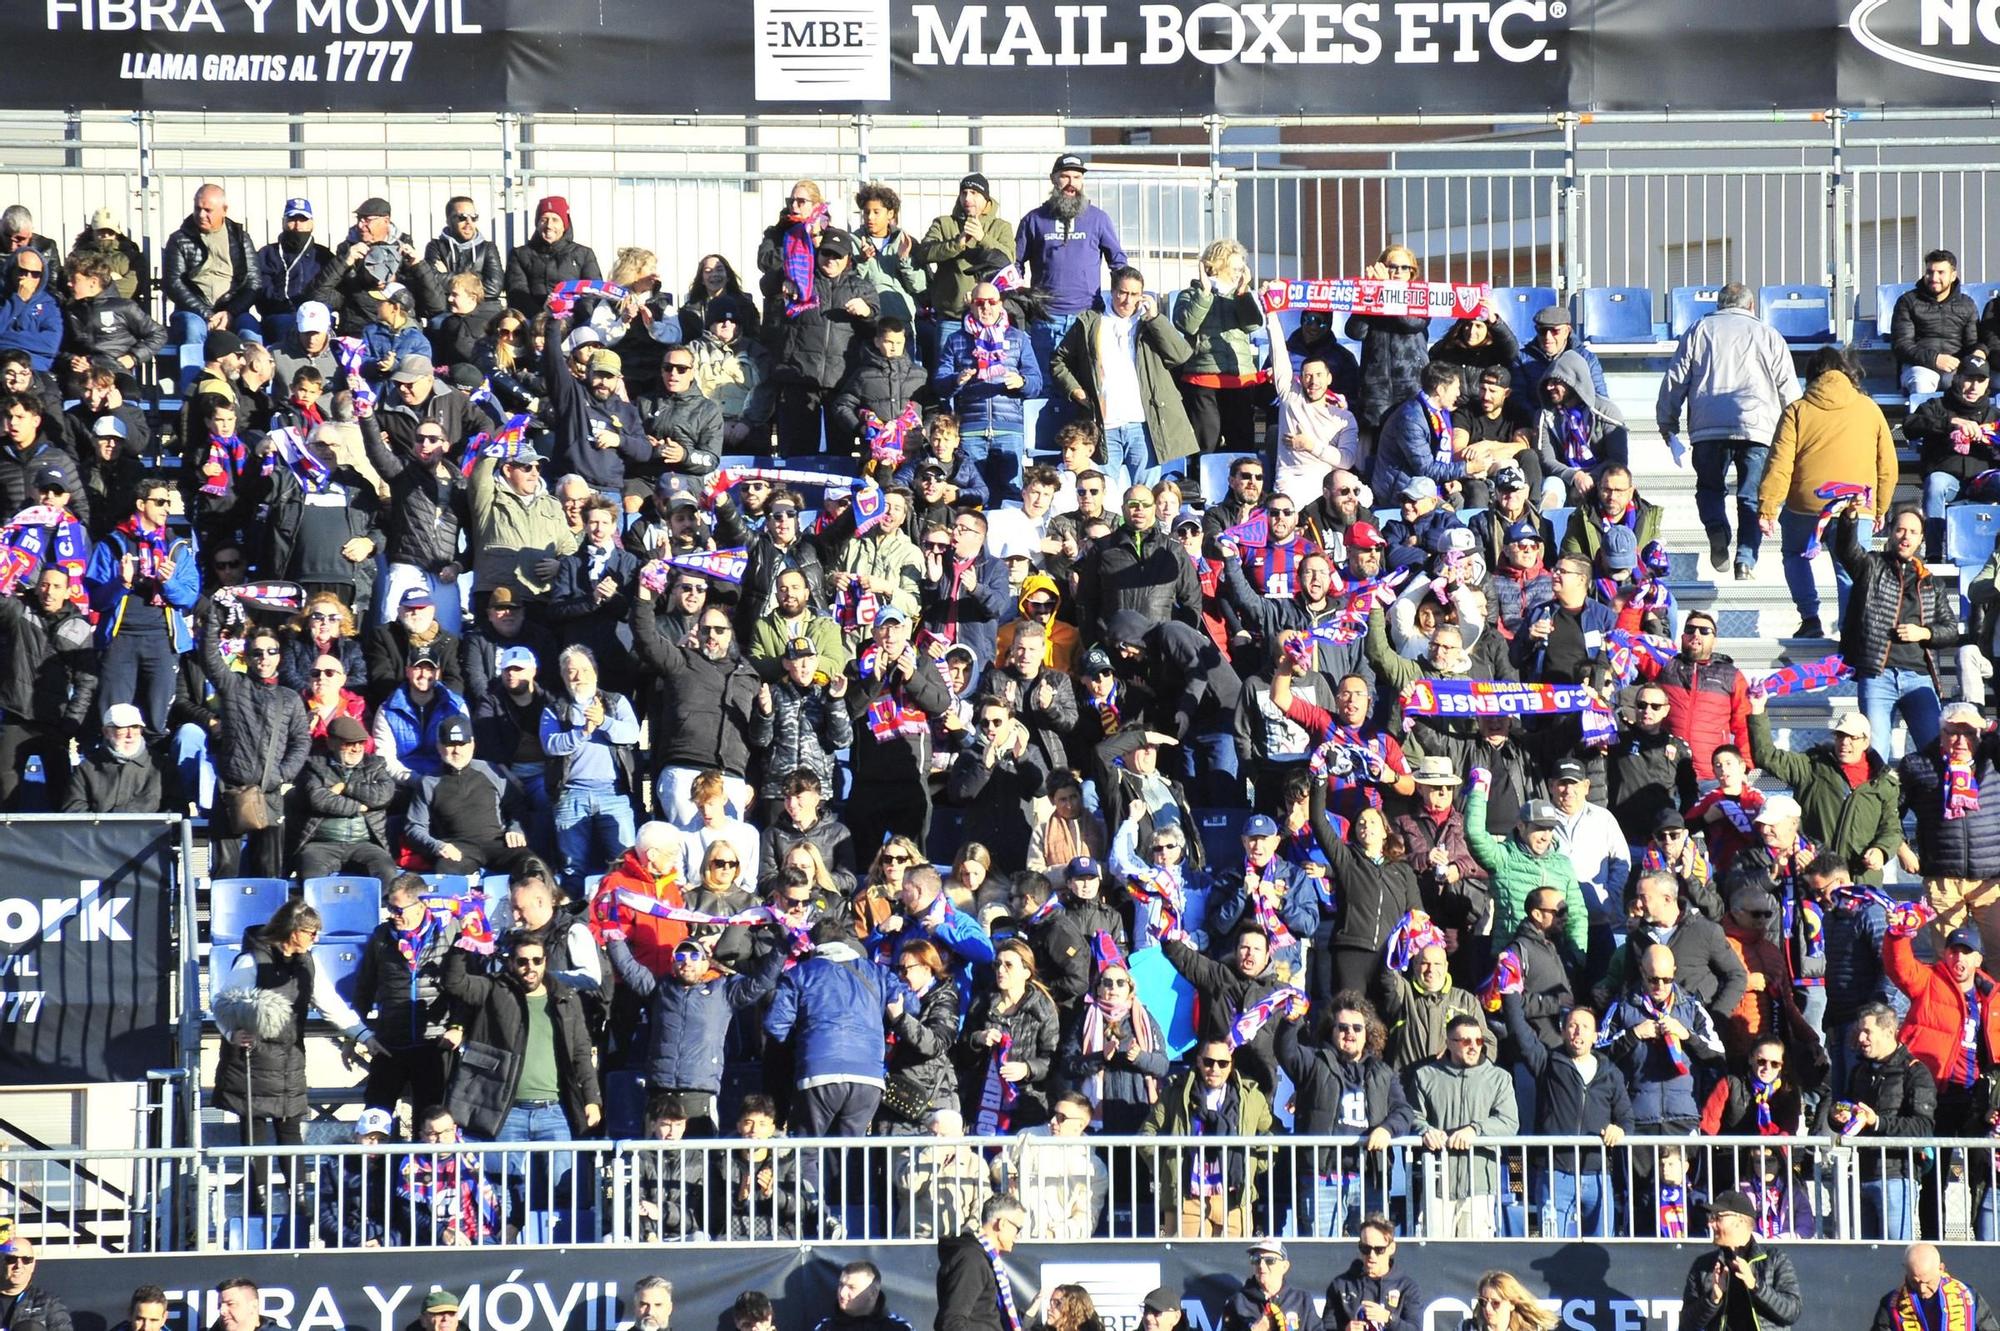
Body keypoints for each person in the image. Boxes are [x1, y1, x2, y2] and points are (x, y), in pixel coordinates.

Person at [439, 928, 603, 1195]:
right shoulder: (493, 988)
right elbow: (455, 982)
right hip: (507, 1111)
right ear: (511, 962)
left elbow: (581, 1055)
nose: (530, 967)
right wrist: (463, 942)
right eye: (522, 961)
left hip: (555, 1112)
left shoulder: (566, 998)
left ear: (545, 961)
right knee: (506, 1191)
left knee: (564, 1193)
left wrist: (592, 1099)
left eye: (537, 961)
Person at [213, 900, 383, 1154]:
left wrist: (364, 1035)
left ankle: (297, 1194)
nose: (316, 938)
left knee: (290, 1132)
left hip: (290, 1059)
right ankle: (256, 1194)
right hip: (250, 1060)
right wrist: (231, 1033)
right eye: (311, 933)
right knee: (253, 1135)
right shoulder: (251, 962)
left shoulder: (308, 963)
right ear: (294, 932)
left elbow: (330, 1004)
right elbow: (222, 1004)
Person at [1655, 283, 1800, 577]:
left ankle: (1717, 530)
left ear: (1720, 305)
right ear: (1751, 307)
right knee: (1751, 496)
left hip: (1707, 428)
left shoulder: (1699, 330)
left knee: (1710, 489)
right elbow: (1789, 389)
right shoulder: (1769, 335)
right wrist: (1798, 432)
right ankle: (1745, 559)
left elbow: (1676, 379)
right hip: (1757, 429)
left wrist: (1667, 421)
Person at [1757, 346, 1897, 639]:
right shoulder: (1869, 408)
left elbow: (1780, 462)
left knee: (1794, 554)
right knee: (1850, 568)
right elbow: (1888, 463)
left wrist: (1768, 507)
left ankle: (1810, 619)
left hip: (1806, 505)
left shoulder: (1797, 409)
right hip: (1856, 506)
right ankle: (1850, 633)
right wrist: (1881, 507)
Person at [605, 917, 789, 1135]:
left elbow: (762, 981)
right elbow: (628, 969)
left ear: (705, 963)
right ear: (672, 962)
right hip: (660, 1089)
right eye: (680, 956)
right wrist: (613, 935)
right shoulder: (660, 989)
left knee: (700, 1161)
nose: (687, 961)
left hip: (700, 1091)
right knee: (654, 1158)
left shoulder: (723, 992)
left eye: (694, 956)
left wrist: (783, 944)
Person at [1276, 995, 1414, 1236]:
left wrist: (1386, 1129)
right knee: (1322, 1257)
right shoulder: (1313, 1062)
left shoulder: (1383, 1072)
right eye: (1343, 1027)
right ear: (1332, 1030)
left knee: (1372, 1255)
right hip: (1321, 1179)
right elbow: (1285, 1050)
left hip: (1370, 1180)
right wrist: (1290, 1022)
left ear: (1367, 1033)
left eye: (1357, 1028)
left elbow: (1403, 1111)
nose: (1350, 1033)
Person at [1050, 266, 1197, 483]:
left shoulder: (1149, 324)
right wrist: (1076, 391)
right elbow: (1058, 361)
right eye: (1123, 292)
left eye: (1135, 294)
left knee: (1145, 496)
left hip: (1144, 425)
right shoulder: (1090, 322)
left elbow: (1180, 355)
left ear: (1143, 296)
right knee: (1104, 493)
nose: (1128, 300)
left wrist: (1155, 318)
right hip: (1104, 427)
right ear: (1113, 291)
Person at [1501, 999, 1630, 1237]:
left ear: (1596, 1035)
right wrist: (1510, 993)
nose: (1578, 1031)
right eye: (1572, 1025)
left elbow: (1626, 1119)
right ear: (1562, 1031)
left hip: (1598, 1175)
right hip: (1555, 1174)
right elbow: (1520, 1030)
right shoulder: (1547, 1063)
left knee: (1602, 1249)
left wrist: (1619, 1130)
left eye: (1585, 1027)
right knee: (1551, 1245)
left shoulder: (1611, 1073)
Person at [766, 914, 900, 1136]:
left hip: (817, 1072)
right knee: (851, 1157)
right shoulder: (878, 972)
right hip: (868, 1075)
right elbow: (910, 1005)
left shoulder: (799, 974)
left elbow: (775, 1025)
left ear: (814, 943)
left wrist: (803, 1044)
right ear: (845, 939)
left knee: (807, 1153)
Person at [1746, 690, 1902, 880]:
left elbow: (1891, 829)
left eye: (1852, 737)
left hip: (1861, 879)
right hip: (1816, 877)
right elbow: (1767, 756)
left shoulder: (1884, 783)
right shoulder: (1811, 766)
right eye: (1840, 736)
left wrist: (1881, 850)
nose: (1845, 742)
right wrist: (1757, 710)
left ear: (1866, 742)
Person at [1142, 1038, 1275, 1237]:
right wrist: (1166, 1167)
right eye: (1208, 1062)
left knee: (1233, 1264)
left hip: (1233, 1197)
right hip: (1187, 1195)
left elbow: (1270, 1134)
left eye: (1222, 1063)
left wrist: (1254, 1165)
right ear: (1198, 1061)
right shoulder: (1176, 1093)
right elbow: (1147, 1132)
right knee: (1183, 1263)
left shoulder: (1251, 1096)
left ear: (1231, 1065)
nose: (1215, 1068)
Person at [1898, 703, 2000, 957]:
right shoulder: (1918, 764)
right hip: (1942, 878)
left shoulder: (1994, 759)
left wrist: (1988, 729)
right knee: (1949, 961)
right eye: (1953, 732)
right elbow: (1888, 811)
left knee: (1998, 958)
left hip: (1991, 878)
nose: (1960, 741)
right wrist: (1901, 848)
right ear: (1940, 732)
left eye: (1968, 733)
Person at [1407, 1011, 1517, 1238]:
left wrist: (1475, 1129)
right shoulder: (1425, 1075)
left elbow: (1509, 1122)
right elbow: (1411, 1116)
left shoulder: (1499, 1078)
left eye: (1478, 1041)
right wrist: (1425, 1130)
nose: (1474, 1046)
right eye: (1465, 1040)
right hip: (1436, 1184)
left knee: (1477, 1261)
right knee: (1433, 1258)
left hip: (1479, 1186)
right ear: (1448, 1043)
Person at [1834, 1001, 1935, 1241]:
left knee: (1895, 1257)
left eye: (1867, 1031)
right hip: (1859, 1174)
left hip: (1896, 1178)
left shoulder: (1915, 1071)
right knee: (1863, 1259)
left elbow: (1924, 1127)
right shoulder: (1859, 1071)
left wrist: (1877, 1122)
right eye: (1859, 1031)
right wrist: (1838, 1116)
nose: (1860, 1038)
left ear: (1889, 1031)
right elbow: (1842, 1105)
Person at [159, 184, 261, 391]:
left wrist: (230, 313)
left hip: (233, 310)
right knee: (193, 328)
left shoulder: (240, 238)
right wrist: (206, 314)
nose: (201, 214)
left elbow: (254, 282)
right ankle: (194, 392)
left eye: (208, 210)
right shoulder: (179, 239)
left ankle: (252, 394)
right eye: (198, 208)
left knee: (251, 329)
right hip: (192, 313)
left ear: (225, 210)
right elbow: (173, 283)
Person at [1907, 354, 1999, 559]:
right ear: (1956, 378)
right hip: (1949, 482)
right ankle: (1933, 552)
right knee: (1936, 482)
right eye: (1969, 378)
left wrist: (1989, 440)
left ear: (1987, 384)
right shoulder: (1937, 405)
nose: (1974, 386)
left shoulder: (1994, 415)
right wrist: (1950, 423)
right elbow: (1909, 426)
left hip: (1984, 482)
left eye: (1980, 380)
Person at [294, 715, 399, 888]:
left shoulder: (375, 764)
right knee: (310, 877)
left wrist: (346, 787)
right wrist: (359, 806)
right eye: (349, 743)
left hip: (365, 843)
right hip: (321, 844)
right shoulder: (315, 766)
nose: (357, 748)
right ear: (332, 743)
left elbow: (383, 795)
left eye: (361, 743)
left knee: (388, 873)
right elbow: (318, 799)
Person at [1677, 1190, 1803, 1331]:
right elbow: (1685, 1324)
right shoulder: (1704, 1265)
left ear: (1740, 1222)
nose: (1710, 1224)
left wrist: (1755, 1286)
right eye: (1711, 1217)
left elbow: (1792, 1311)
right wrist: (1713, 1299)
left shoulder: (1774, 1259)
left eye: (1717, 1218)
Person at [1891, 248, 1981, 396]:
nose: (1934, 277)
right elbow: (1901, 344)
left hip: (1955, 367)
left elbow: (1972, 343)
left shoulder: (1967, 304)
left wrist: (1962, 364)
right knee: (1921, 381)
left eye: (1941, 272)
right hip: (1919, 366)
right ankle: (1923, 419)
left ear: (1953, 275)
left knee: (1967, 384)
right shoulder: (1908, 301)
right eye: (1930, 272)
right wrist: (1935, 359)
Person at [935, 1193, 1029, 1331]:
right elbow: (951, 1322)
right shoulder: (971, 1259)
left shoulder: (986, 1259)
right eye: (1018, 1229)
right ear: (1002, 1224)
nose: (1017, 1237)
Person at [64, 703, 173, 814]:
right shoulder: (87, 768)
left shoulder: (161, 766)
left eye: (135, 727)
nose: (130, 735)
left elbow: (175, 810)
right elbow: (74, 810)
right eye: (122, 728)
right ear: (106, 732)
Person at [506, 196, 602, 316]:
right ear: (537, 223)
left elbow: (593, 292)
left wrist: (574, 315)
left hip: (574, 320)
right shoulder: (520, 255)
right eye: (544, 219)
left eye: (555, 220)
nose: (549, 225)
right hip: (533, 321)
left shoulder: (584, 254)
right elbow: (517, 293)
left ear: (564, 225)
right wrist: (542, 316)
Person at [1868, 1244, 2000, 1331]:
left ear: (1941, 1268)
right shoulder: (1892, 1304)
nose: (1922, 1289)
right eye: (1915, 1282)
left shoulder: (1968, 1297)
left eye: (1928, 1282)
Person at [1324, 1218, 1421, 1331]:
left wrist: (1389, 1319)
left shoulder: (1407, 1288)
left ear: (1392, 1248)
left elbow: (1415, 1328)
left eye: (1379, 1250)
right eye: (1366, 1249)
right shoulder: (1341, 1285)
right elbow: (1325, 1327)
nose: (1372, 1255)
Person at [1221, 1239, 1321, 1331]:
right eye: (1256, 1259)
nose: (1261, 1265)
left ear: (1284, 1266)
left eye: (1270, 1260)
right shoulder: (1237, 1302)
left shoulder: (1301, 1300)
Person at [816, 1262, 914, 1331]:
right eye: (841, 1285)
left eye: (852, 1287)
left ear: (873, 1293)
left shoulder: (900, 1328)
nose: (842, 1293)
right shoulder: (826, 1327)